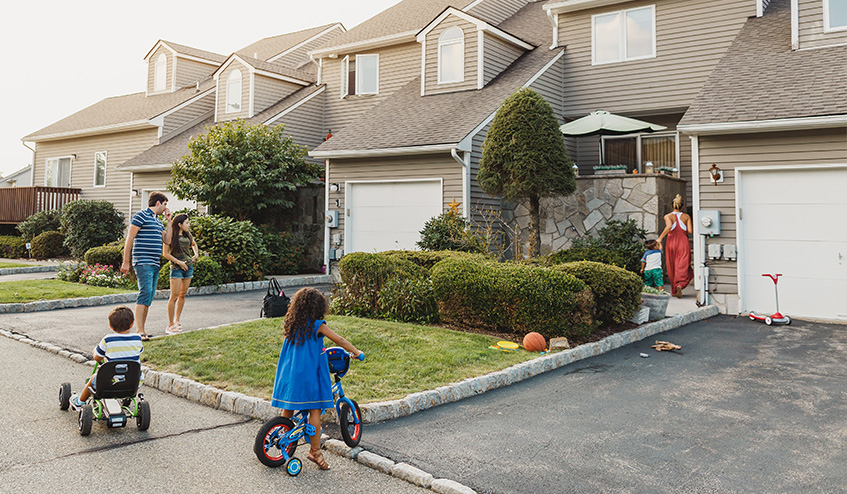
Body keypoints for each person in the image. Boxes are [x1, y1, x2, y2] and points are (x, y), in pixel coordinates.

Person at [271, 287, 362, 471]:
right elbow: (340, 341)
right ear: (318, 307)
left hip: (289, 373)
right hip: (308, 375)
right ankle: (315, 451)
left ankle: (283, 434)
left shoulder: (291, 323)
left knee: (288, 406)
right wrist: (356, 352)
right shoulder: (317, 325)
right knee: (314, 409)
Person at [69, 306, 143, 409]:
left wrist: (95, 350)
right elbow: (139, 352)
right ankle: (126, 398)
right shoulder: (137, 338)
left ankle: (80, 401)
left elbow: (97, 358)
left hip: (111, 382)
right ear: (132, 324)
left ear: (110, 326)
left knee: (93, 379)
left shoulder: (108, 340)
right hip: (133, 381)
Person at [121, 192, 172, 341]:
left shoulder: (157, 221)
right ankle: (139, 331)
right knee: (145, 293)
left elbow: (167, 240)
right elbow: (130, 238)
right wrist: (126, 261)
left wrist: (169, 222)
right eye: (164, 204)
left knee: (149, 295)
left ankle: (142, 329)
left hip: (155, 262)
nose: (165, 208)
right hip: (143, 261)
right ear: (158, 203)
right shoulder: (141, 216)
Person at [162, 214, 199, 335]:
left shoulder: (188, 234)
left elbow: (194, 244)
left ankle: (177, 320)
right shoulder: (171, 235)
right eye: (187, 223)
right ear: (180, 224)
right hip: (176, 268)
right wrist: (179, 263)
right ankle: (170, 324)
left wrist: (196, 255)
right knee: (174, 296)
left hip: (188, 268)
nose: (189, 225)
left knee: (182, 295)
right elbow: (165, 253)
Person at [658, 194, 694, 298]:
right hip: (683, 242)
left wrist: (660, 238)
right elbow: (690, 231)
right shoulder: (686, 216)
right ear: (682, 206)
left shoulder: (668, 216)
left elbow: (669, 226)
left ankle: (674, 290)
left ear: (672, 206)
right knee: (682, 263)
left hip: (671, 242)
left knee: (672, 264)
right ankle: (680, 284)